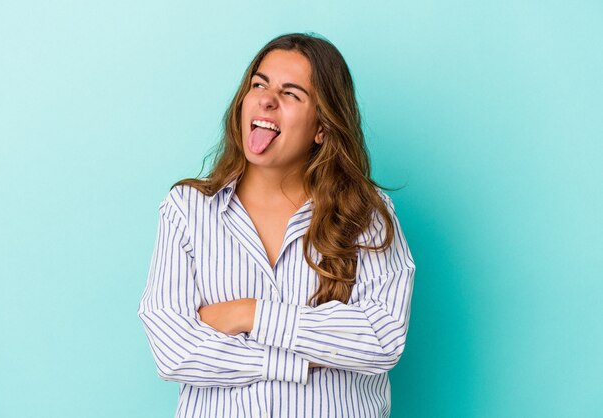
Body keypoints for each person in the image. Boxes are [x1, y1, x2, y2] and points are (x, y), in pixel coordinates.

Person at [137, 32, 416, 418]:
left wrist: (248, 313)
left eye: (291, 93)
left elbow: (381, 339)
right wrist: (298, 361)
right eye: (259, 84)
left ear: (322, 127)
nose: (267, 99)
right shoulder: (186, 210)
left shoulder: (366, 213)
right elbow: (174, 350)